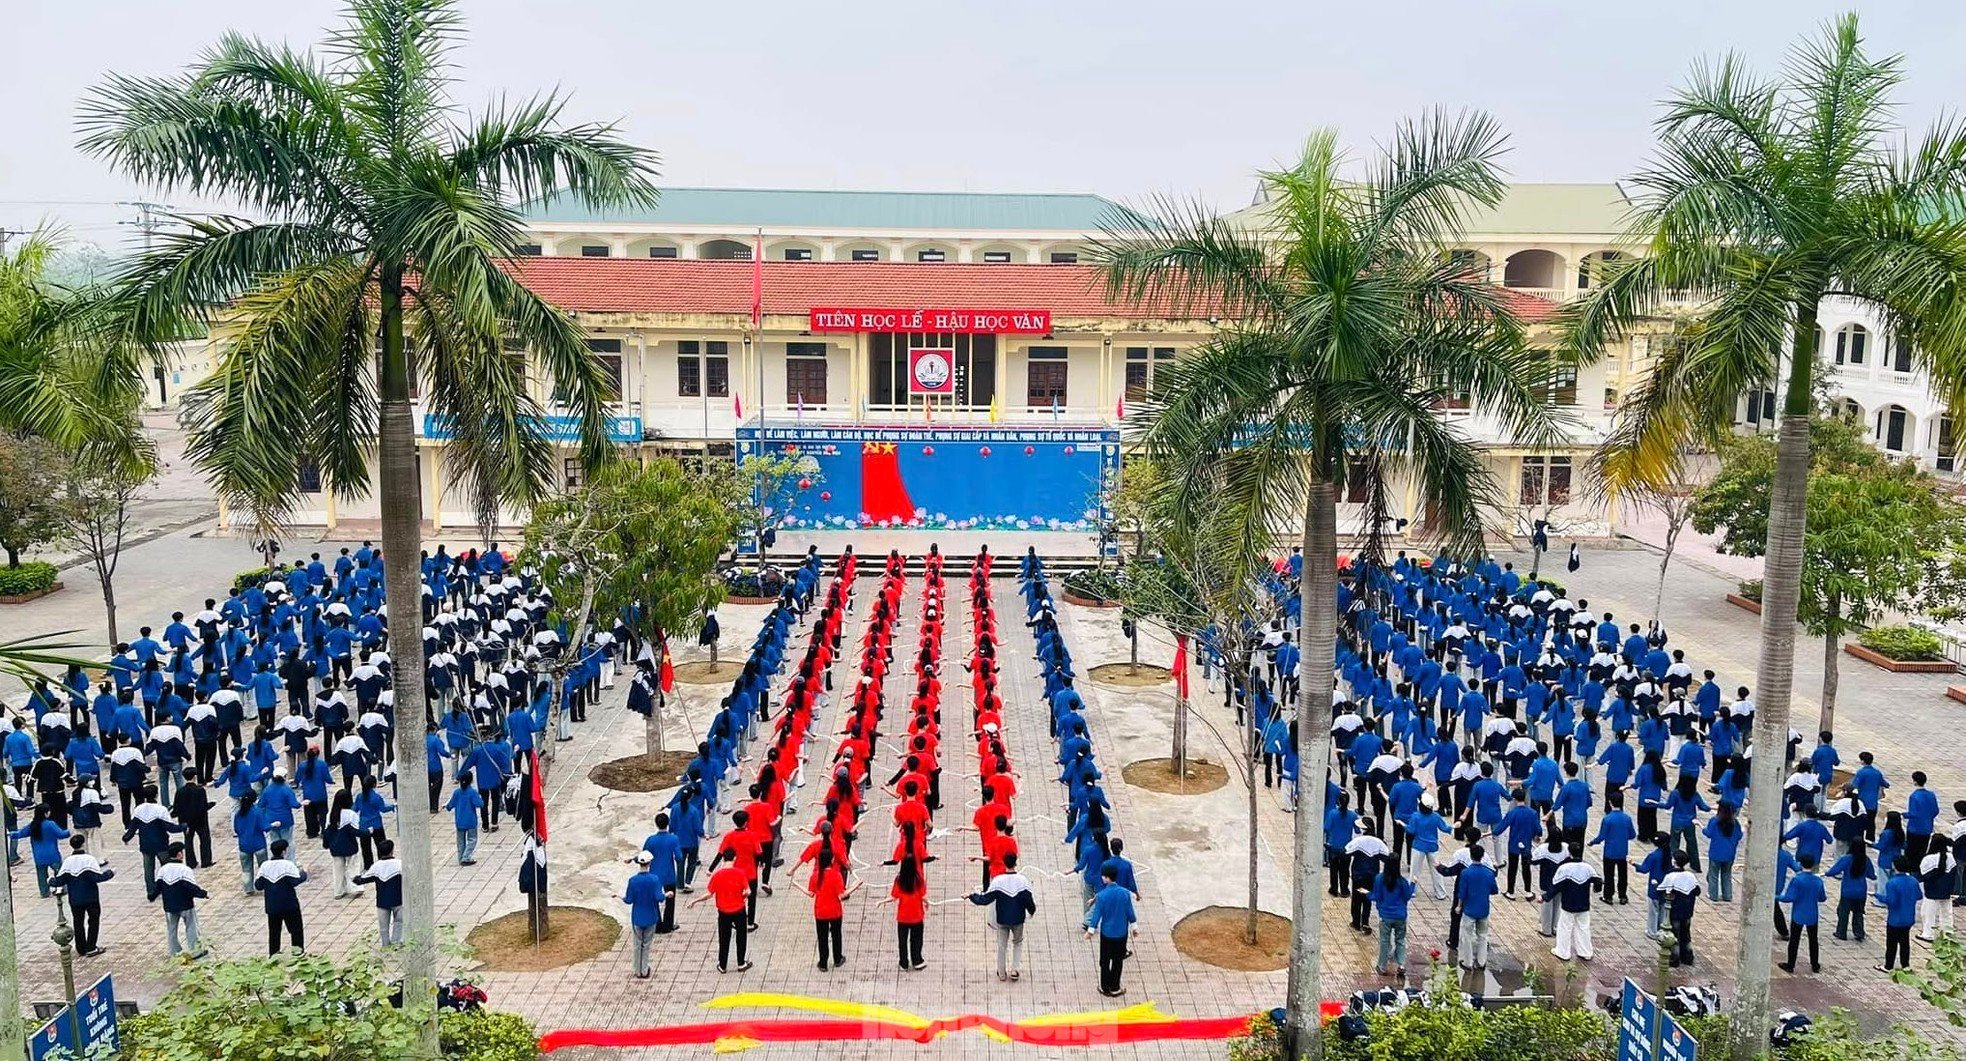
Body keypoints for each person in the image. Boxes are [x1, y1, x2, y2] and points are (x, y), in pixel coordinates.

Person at [969, 851, 1037, 982]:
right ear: (1015, 863)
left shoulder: (998, 881)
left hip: (1002, 919)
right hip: (1018, 919)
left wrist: (971, 896)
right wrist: (1032, 911)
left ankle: (1001, 972)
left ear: (1004, 863)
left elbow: (985, 899)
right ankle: (1015, 969)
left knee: (1002, 945)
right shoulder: (1023, 881)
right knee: (1017, 943)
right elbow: (1029, 900)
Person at [688, 857, 754, 973]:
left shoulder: (717, 875)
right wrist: (744, 896)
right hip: (739, 910)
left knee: (724, 938)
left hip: (723, 912)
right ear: (734, 858)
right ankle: (741, 963)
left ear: (723, 859)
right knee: (741, 936)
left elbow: (709, 894)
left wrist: (695, 901)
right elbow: (748, 891)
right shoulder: (740, 873)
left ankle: (723, 965)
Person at [53, 836, 113, 956]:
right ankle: (91, 947)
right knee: (93, 921)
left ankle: (80, 948)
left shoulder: (68, 861)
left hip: (75, 899)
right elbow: (97, 877)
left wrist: (50, 881)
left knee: (78, 922)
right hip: (91, 897)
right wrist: (110, 873)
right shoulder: (89, 859)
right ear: (83, 844)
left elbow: (59, 880)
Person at [1084, 865, 1137, 997]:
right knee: (1118, 961)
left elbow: (1097, 915)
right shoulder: (1125, 893)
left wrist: (1090, 931)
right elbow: (1130, 911)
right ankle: (1115, 987)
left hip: (1107, 934)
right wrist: (1134, 927)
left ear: (1107, 878)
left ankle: (1104, 986)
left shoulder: (1102, 896)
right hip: (1121, 933)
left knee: (1105, 961)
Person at [149, 842, 208, 959]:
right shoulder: (184, 870)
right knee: (191, 927)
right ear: (179, 854)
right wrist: (203, 894)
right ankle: (196, 951)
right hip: (185, 904)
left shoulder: (163, 870)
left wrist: (151, 896)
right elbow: (191, 887)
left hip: (169, 906)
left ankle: (174, 952)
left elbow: (157, 887)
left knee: (171, 929)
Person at [253, 838, 310, 955]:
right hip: (289, 905)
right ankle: (298, 954)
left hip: (272, 906)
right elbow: (296, 881)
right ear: (284, 851)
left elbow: (258, 885)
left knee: (274, 933)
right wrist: (304, 872)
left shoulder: (265, 866)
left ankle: (273, 956)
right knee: (296, 931)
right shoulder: (287, 865)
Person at [623, 851, 669, 979]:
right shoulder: (654, 879)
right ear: (650, 863)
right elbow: (659, 898)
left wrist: (621, 897)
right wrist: (667, 895)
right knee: (646, 945)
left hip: (637, 917)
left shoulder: (633, 881)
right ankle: (644, 970)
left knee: (637, 945)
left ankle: (637, 970)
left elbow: (629, 900)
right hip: (651, 916)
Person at [1778, 854, 1826, 974]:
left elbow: (1789, 897)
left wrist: (1776, 897)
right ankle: (1815, 964)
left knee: (1794, 940)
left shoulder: (1797, 880)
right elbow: (1822, 898)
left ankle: (1790, 964)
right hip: (1812, 913)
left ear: (1801, 864)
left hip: (1798, 913)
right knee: (1813, 940)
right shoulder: (1818, 881)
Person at [1455, 843, 1500, 970]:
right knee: (1483, 936)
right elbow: (1494, 890)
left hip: (1469, 909)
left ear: (1471, 856)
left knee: (1467, 936)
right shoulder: (1489, 873)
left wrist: (1459, 906)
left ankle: (1467, 962)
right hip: (1484, 909)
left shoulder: (1465, 873)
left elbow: (1462, 892)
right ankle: (1481, 962)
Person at [352, 839, 404, 946]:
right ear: (392, 850)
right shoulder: (399, 864)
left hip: (382, 902)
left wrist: (354, 878)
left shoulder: (376, 866)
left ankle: (385, 947)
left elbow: (362, 879)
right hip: (398, 900)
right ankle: (396, 944)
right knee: (399, 923)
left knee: (384, 928)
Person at [1369, 859, 1415, 979]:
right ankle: (1401, 965)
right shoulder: (1402, 881)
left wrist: (1367, 894)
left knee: (1385, 941)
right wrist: (1413, 884)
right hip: (1400, 916)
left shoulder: (1379, 879)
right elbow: (1407, 896)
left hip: (1385, 916)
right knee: (1400, 940)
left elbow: (1376, 896)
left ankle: (1382, 966)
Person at [883, 855, 929, 972]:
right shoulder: (918, 880)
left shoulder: (899, 879)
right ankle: (917, 960)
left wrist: (881, 901)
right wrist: (927, 903)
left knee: (902, 941)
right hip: (917, 915)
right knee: (917, 939)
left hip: (903, 916)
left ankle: (903, 963)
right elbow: (923, 895)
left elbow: (893, 897)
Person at [1879, 856, 1923, 971]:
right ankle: (1905, 965)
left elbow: (1891, 901)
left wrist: (1880, 897)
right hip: (1908, 917)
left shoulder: (1892, 883)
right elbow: (1919, 895)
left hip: (1895, 918)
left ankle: (1888, 965)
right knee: (1905, 942)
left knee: (1891, 943)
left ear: (1894, 866)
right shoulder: (1913, 881)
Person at [1660, 851, 1703, 967]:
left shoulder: (1670, 876)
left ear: (1674, 861)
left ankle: (1674, 958)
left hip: (1675, 911)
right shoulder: (1690, 876)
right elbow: (1697, 891)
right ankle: (1688, 957)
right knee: (1686, 934)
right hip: (1688, 911)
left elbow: (1662, 891)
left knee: (1674, 936)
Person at [444, 771, 483, 866]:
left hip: (460, 821)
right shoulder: (472, 792)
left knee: (460, 841)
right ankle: (466, 857)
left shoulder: (457, 792)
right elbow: (480, 804)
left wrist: (447, 807)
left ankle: (460, 857)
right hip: (471, 821)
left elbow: (450, 805)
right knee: (472, 839)